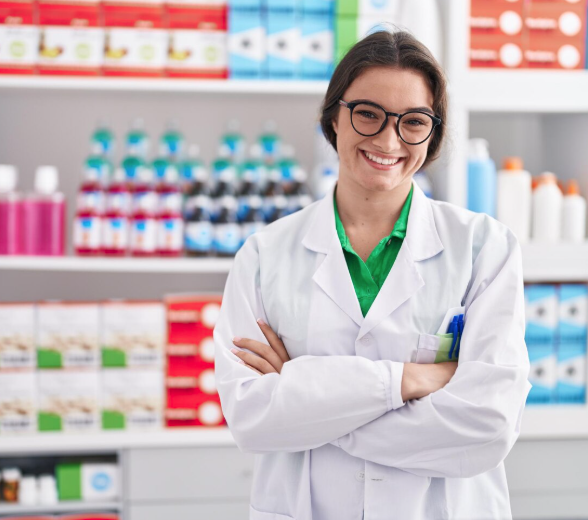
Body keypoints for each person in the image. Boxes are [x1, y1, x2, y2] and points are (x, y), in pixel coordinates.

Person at [214, 29, 531, 520]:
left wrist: (309, 403)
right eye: (368, 114)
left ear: (434, 132)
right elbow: (253, 419)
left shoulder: (484, 249)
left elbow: (487, 426)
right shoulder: (264, 256)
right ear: (334, 117)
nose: (388, 139)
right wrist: (410, 380)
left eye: (413, 122)